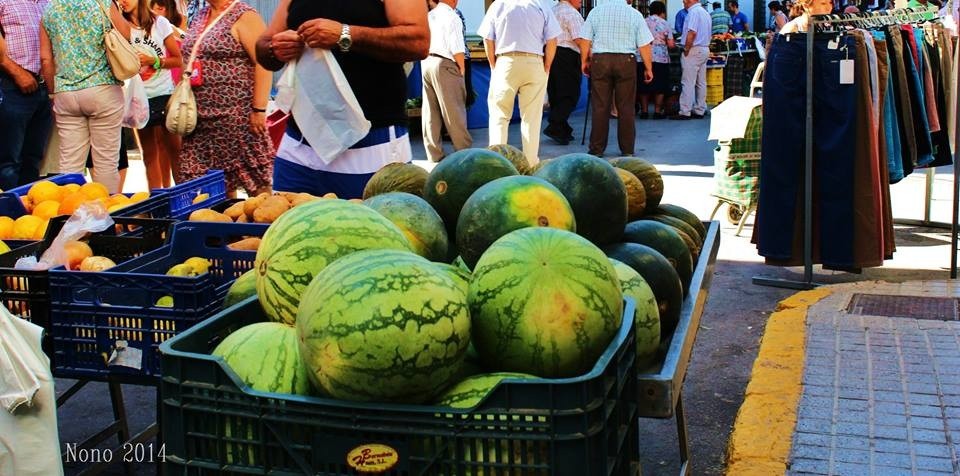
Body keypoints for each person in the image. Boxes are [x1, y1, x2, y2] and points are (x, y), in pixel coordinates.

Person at [256, 0, 429, 198]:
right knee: (281, 225)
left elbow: (418, 42)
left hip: (371, 143)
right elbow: (264, 45)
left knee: (373, 227)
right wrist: (274, 48)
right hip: (298, 146)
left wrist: (345, 35)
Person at [177, 0, 273, 197]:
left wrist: (259, 109)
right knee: (208, 187)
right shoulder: (201, 14)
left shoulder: (244, 15)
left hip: (236, 116)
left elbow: (264, 63)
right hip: (199, 118)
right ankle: (221, 225)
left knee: (256, 183)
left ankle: (265, 226)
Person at [41, 0, 132, 194]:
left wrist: (52, 93)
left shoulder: (50, 9)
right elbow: (126, 33)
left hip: (66, 93)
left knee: (69, 163)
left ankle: (69, 213)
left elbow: (46, 59)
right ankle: (106, 216)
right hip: (103, 89)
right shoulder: (103, 3)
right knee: (106, 162)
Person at [478, 0, 560, 166]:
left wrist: (494, 64)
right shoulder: (540, 4)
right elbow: (552, 39)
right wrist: (547, 66)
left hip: (506, 61)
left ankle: (497, 163)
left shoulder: (498, 4)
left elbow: (488, 38)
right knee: (531, 118)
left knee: (499, 116)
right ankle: (530, 163)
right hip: (534, 61)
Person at [580, 0, 653, 157]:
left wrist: (584, 61)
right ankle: (627, 150)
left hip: (600, 59)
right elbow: (644, 44)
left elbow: (585, 40)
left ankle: (596, 149)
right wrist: (648, 68)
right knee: (626, 106)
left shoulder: (596, 12)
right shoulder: (634, 14)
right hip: (626, 60)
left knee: (600, 106)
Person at [122, 0, 183, 189]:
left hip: (163, 93)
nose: (122, 1)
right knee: (148, 155)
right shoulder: (120, 26)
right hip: (137, 98)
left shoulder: (160, 23)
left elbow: (177, 59)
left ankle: (183, 198)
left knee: (175, 150)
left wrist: (153, 60)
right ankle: (157, 202)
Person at [0, 0, 53, 191]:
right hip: (11, 86)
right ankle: (8, 215)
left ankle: (28, 216)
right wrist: (16, 72)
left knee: (34, 158)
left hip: (43, 88)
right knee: (8, 161)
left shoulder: (47, 3)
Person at [422, 0, 471, 162]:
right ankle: (464, 155)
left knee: (431, 112)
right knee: (455, 112)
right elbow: (457, 48)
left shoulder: (429, 15)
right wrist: (461, 70)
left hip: (427, 62)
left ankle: (434, 154)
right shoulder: (452, 16)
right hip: (445, 63)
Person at [544, 0, 584, 145]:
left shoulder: (552, 10)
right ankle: (555, 124)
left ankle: (562, 127)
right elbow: (579, 39)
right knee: (570, 93)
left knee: (555, 91)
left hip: (551, 53)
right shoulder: (571, 13)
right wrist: (589, 55)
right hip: (566, 55)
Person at [671, 0, 711, 120]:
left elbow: (692, 32)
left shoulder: (693, 12)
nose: (683, 2)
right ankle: (699, 109)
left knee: (687, 82)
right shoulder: (705, 12)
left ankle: (685, 111)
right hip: (704, 48)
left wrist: (686, 48)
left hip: (694, 49)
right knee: (701, 82)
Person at [638, 1, 674, 120]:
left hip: (642, 56)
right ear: (662, 12)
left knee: (644, 85)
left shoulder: (642, 22)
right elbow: (670, 43)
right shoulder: (665, 23)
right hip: (660, 58)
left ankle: (644, 111)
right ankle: (657, 111)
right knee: (660, 85)